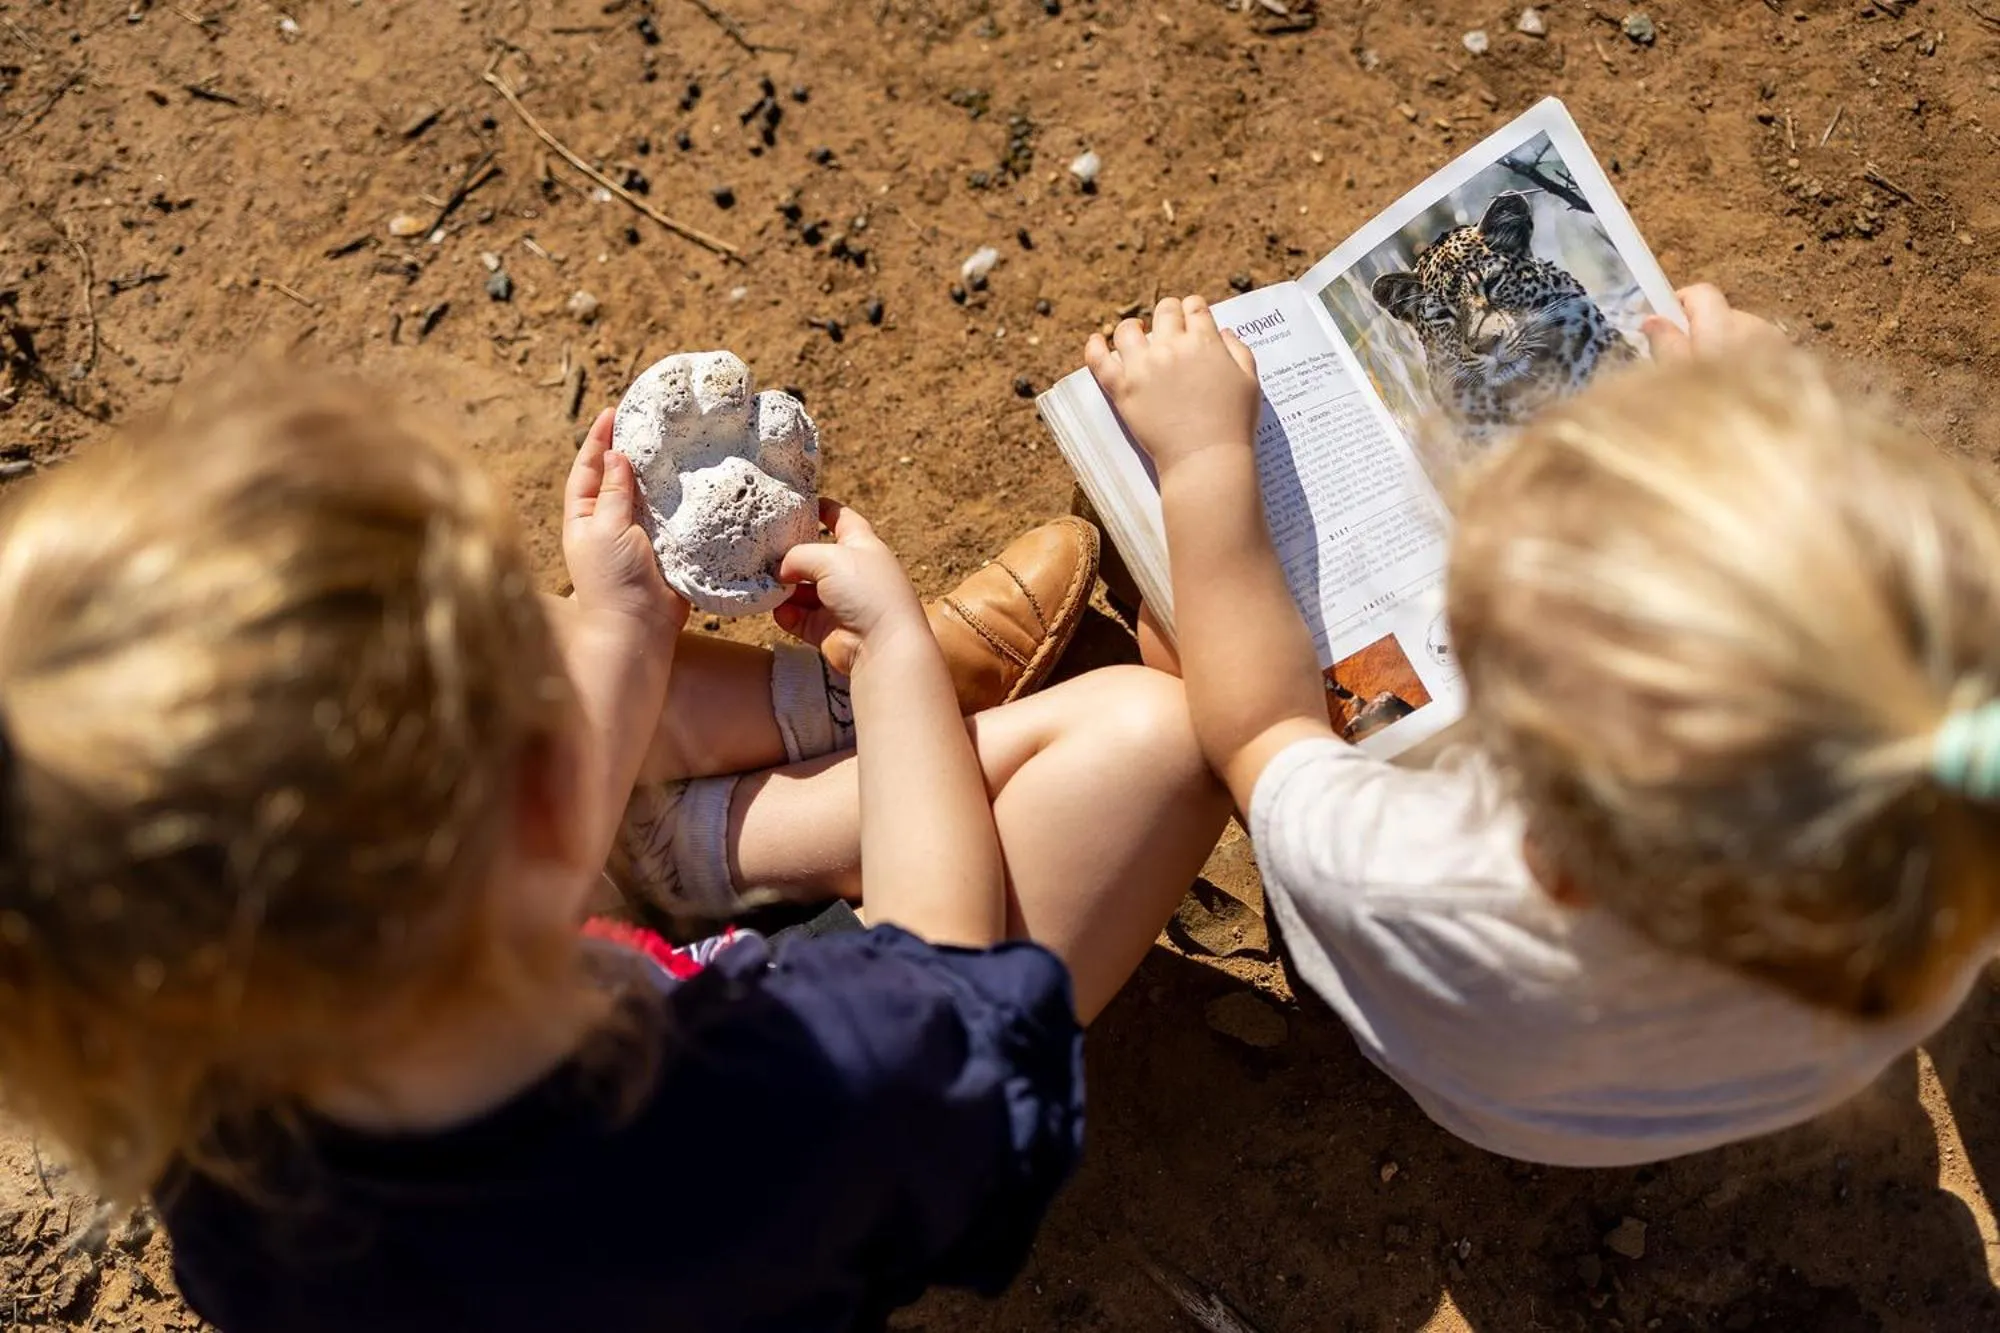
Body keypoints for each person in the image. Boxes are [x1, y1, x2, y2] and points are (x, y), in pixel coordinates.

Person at [0, 385, 1228, 1331]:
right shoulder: (794, 1095)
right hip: (761, 1049)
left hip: (527, 969)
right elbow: (942, 980)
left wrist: (625, 630)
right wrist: (897, 653)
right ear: (544, 809)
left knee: (527, 657)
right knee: (1147, 741)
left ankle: (714, 814)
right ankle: (851, 729)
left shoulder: (217, 1137)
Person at [1086, 284, 2000, 1167]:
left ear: (1554, 861)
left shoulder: (1419, 878)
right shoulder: (1958, 822)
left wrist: (1206, 456)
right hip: (1718, 1087)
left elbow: (1260, 730)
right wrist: (1776, 436)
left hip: (1495, 1103)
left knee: (1180, 641)